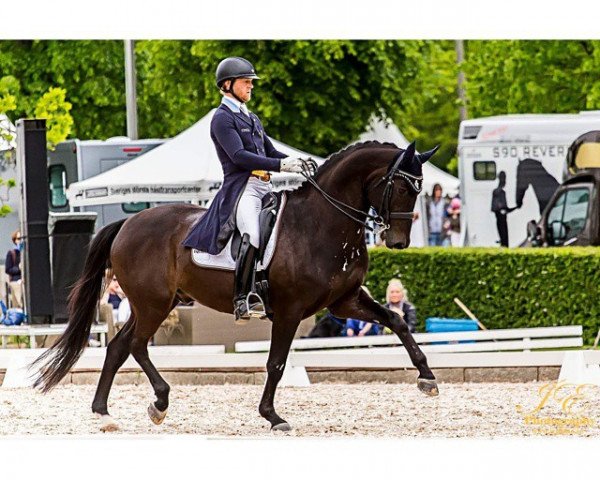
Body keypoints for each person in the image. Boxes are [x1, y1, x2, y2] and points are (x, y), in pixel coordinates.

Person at [182, 57, 316, 323]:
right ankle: (243, 299)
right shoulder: (222, 119)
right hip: (242, 189)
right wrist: (281, 164)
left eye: (251, 82)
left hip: (264, 187)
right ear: (228, 85)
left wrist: (294, 162)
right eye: (246, 82)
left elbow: (270, 151)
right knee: (252, 234)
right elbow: (240, 156)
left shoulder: (251, 118)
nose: (251, 86)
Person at [491, 171, 517, 247]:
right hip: (501, 219)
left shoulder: (501, 192)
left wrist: (513, 208)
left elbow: (504, 209)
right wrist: (502, 210)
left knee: (504, 238)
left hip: (502, 219)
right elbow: (497, 208)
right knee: (503, 238)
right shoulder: (498, 192)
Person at [5, 230, 23, 309]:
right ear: (15, 240)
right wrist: (19, 268)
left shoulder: (27, 252)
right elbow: (8, 269)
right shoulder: (12, 253)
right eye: (19, 239)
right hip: (16, 279)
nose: (21, 241)